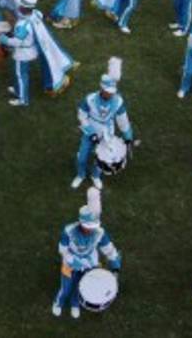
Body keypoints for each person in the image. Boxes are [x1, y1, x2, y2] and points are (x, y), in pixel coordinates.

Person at [2, 0, 74, 106]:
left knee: (20, 74)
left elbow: (16, 42)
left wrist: (3, 38)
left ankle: (22, 99)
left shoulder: (22, 25)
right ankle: (19, 88)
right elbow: (30, 13)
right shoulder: (36, 14)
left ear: (23, 8)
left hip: (22, 53)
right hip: (33, 49)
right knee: (22, 74)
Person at [52, 190, 121, 318]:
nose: (90, 229)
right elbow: (63, 250)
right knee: (66, 287)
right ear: (80, 222)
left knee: (82, 285)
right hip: (69, 262)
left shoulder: (100, 232)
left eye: (92, 226)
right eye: (87, 226)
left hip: (90, 262)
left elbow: (109, 249)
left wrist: (115, 267)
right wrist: (72, 260)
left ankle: (75, 304)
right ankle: (58, 303)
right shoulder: (68, 230)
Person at [72, 57, 135, 190]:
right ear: (101, 88)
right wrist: (90, 133)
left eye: (112, 92)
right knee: (82, 157)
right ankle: (81, 175)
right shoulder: (89, 99)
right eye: (108, 92)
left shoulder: (118, 101)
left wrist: (128, 137)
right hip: (90, 130)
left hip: (107, 133)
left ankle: (96, 176)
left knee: (102, 157)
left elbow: (123, 120)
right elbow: (82, 116)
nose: (110, 94)